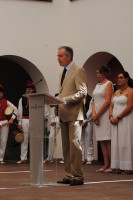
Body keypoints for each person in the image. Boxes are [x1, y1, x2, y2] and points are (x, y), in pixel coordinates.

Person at [55, 46, 87, 186]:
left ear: (69, 56)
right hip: (64, 113)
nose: (58, 58)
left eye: (60, 56)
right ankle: (69, 175)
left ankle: (78, 176)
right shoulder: (64, 72)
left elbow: (82, 92)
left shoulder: (78, 70)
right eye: (58, 56)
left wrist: (65, 99)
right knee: (66, 147)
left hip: (74, 114)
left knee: (75, 146)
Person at [109, 71, 133, 174]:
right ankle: (117, 166)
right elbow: (111, 106)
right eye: (118, 77)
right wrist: (111, 116)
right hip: (115, 119)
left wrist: (119, 117)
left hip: (126, 119)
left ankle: (128, 167)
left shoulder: (131, 91)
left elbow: (129, 107)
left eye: (121, 77)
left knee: (126, 141)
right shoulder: (116, 92)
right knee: (116, 142)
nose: (119, 79)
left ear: (127, 79)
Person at [92, 65, 113, 173]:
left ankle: (112, 165)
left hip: (104, 114)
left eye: (99, 72)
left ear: (104, 73)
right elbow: (94, 101)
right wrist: (94, 114)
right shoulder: (97, 85)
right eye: (97, 73)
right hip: (97, 115)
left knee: (107, 140)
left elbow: (107, 101)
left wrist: (98, 115)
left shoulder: (108, 84)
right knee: (101, 140)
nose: (98, 74)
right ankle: (106, 164)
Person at [16, 81, 36, 164]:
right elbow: (19, 111)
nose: (28, 90)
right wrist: (19, 123)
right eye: (27, 89)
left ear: (33, 90)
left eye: (30, 89)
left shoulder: (37, 98)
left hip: (34, 120)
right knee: (24, 139)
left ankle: (35, 158)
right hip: (24, 119)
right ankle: (23, 158)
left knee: (34, 139)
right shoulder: (22, 99)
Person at [81, 94, 94, 165]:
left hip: (88, 121)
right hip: (79, 121)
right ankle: (81, 158)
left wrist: (85, 120)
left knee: (89, 140)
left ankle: (89, 158)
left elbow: (90, 110)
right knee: (80, 141)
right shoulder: (78, 99)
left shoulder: (91, 99)